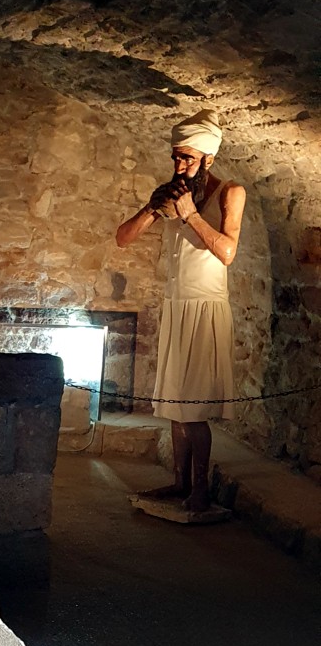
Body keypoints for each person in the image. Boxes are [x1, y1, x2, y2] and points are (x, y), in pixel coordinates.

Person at [115, 109, 246, 514]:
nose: (178, 165)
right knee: (175, 404)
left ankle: (200, 490)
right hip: (176, 306)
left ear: (208, 158)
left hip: (205, 308)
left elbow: (227, 252)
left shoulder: (230, 192)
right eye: (175, 157)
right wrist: (153, 209)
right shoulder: (173, 193)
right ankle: (180, 483)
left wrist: (190, 215)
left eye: (187, 158)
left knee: (194, 409)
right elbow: (122, 238)